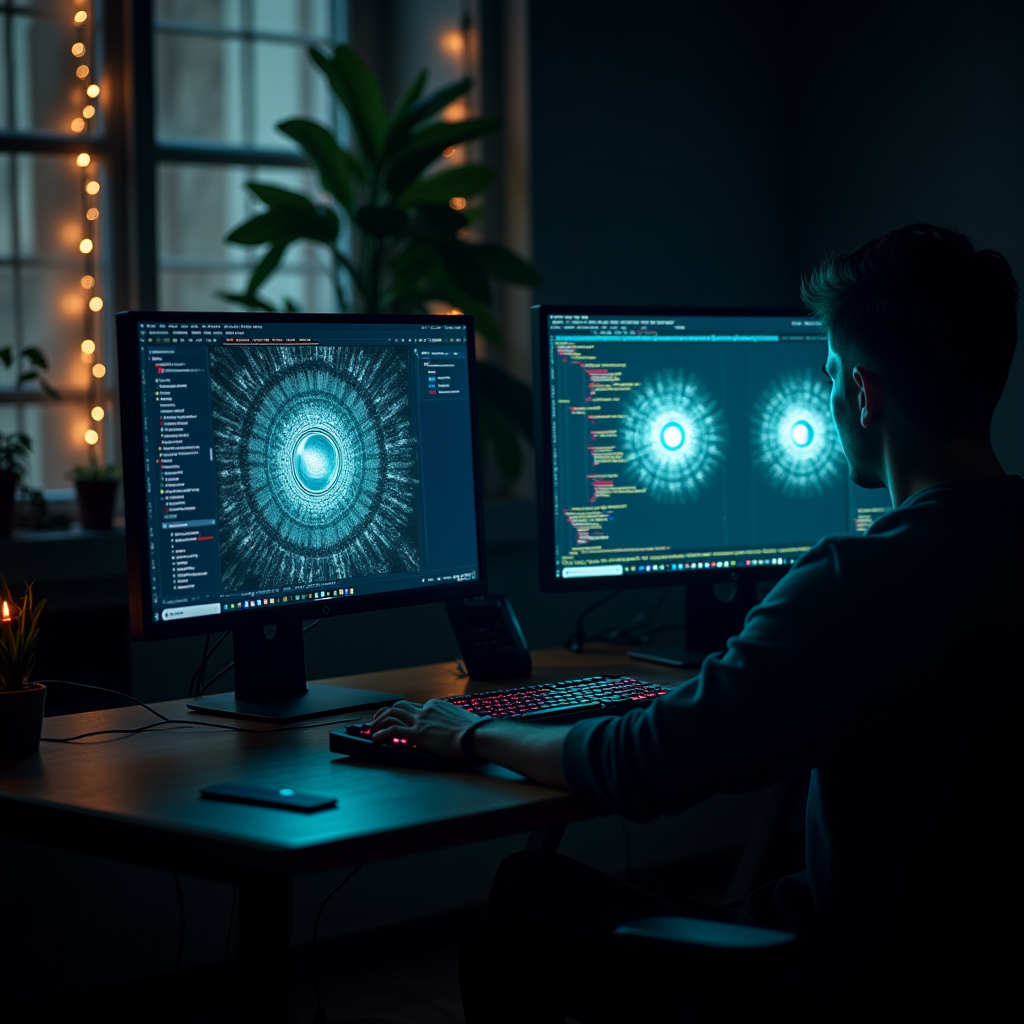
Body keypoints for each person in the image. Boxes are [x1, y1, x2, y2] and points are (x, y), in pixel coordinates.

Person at [370, 224, 1023, 1021]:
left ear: (862, 392)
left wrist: (470, 731)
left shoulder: (854, 583)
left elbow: (645, 764)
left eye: (827, 375)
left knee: (526, 893)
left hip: (856, 974)